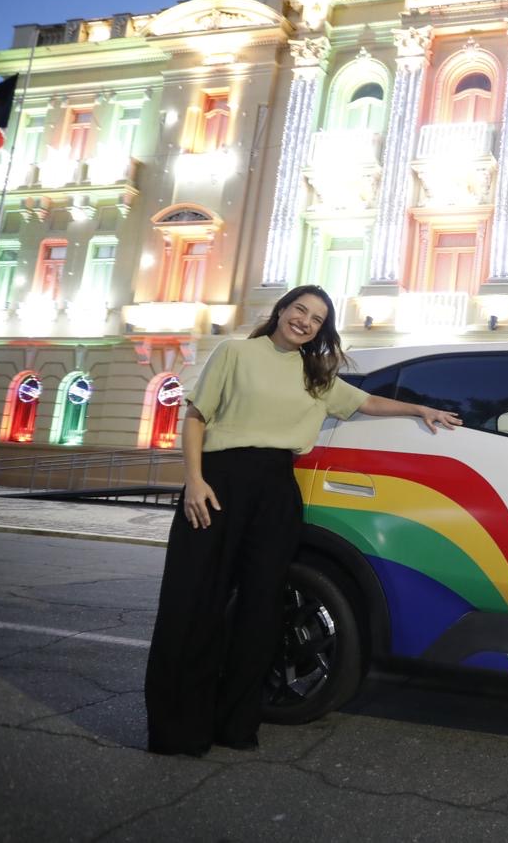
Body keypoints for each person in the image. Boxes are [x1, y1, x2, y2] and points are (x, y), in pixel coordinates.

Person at [144, 284, 461, 756]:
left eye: (316, 319)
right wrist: (193, 480)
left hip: (277, 490)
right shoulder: (234, 352)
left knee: (260, 610)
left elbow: (367, 403)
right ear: (281, 310)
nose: (305, 322)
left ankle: (235, 724)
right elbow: (195, 417)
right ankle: (179, 730)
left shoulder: (316, 375)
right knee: (195, 601)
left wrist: (421, 409)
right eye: (300, 309)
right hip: (218, 483)